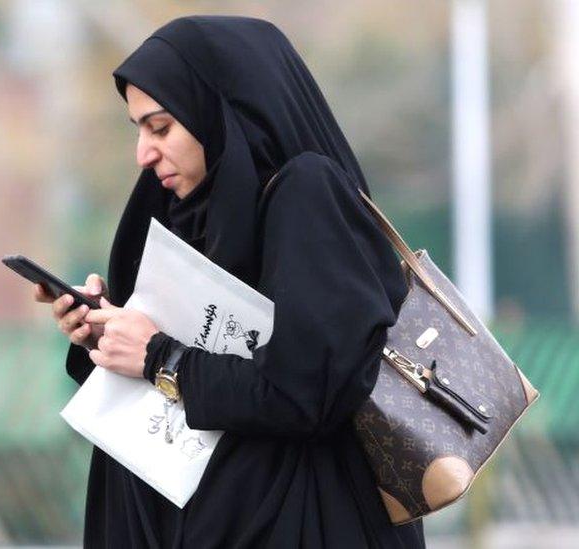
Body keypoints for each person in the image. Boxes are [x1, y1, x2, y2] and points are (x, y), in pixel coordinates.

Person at [34, 16, 425, 548]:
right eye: (139, 129)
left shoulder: (306, 198)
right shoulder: (170, 210)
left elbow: (307, 393)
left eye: (162, 126)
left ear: (218, 110)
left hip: (298, 520)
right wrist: (104, 332)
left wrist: (158, 357)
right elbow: (172, 382)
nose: (144, 154)